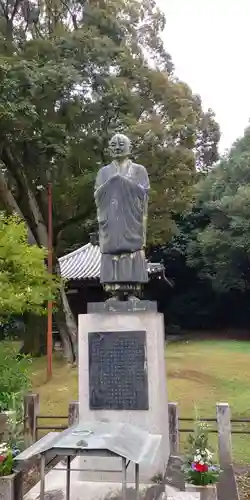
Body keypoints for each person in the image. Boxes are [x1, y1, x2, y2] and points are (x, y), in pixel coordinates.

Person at [94, 134, 150, 290]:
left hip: (131, 221)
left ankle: (133, 291)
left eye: (121, 144)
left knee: (132, 250)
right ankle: (113, 292)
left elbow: (144, 195)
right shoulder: (103, 172)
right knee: (111, 251)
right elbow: (98, 197)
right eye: (113, 145)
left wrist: (123, 183)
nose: (117, 147)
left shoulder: (139, 170)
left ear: (130, 147)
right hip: (111, 220)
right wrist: (113, 183)